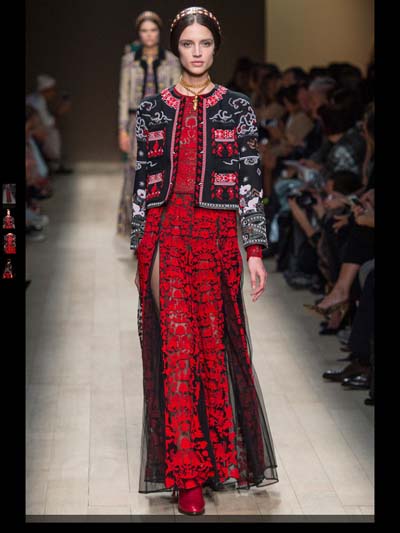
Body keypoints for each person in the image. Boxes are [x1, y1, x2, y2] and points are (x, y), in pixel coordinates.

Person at [130, 6, 279, 516]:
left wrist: (253, 249)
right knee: (177, 349)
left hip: (216, 241)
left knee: (212, 350)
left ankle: (216, 460)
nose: (197, 52)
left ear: (215, 47)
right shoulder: (152, 109)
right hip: (168, 237)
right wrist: (141, 247)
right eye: (189, 44)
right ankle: (186, 474)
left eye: (205, 44)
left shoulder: (237, 107)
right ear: (177, 48)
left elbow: (250, 181)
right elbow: (142, 184)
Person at [117, 10, 181, 237]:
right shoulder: (129, 61)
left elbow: (177, 97)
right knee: (136, 173)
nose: (149, 35)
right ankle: (136, 227)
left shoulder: (171, 61)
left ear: (159, 32)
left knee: (161, 172)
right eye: (144, 31)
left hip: (164, 124)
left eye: (153, 30)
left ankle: (160, 226)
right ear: (139, 33)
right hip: (136, 122)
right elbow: (123, 96)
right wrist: (122, 130)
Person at [26, 74, 72, 173]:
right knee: (52, 133)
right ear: (45, 90)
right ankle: (54, 164)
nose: (54, 93)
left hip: (30, 131)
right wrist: (60, 112)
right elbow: (48, 124)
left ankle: (53, 163)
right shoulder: (37, 102)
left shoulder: (36, 99)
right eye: (52, 90)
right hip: (29, 132)